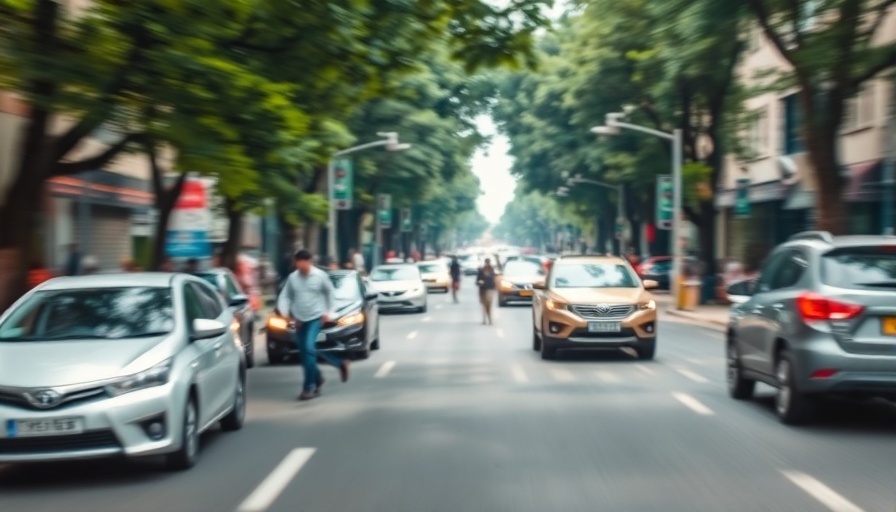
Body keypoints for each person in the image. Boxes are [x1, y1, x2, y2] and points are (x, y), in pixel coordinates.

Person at [277, 249, 350, 401]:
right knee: (305, 353)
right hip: (299, 319)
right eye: (297, 263)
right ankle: (332, 369)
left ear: (309, 262)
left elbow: (330, 292)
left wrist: (328, 312)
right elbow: (285, 296)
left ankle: (308, 387)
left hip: (315, 317)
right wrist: (285, 314)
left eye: (302, 262)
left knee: (309, 348)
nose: (299, 266)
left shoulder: (320, 276)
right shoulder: (293, 278)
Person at [476, 258, 497, 325]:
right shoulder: (481, 270)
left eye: (488, 262)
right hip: (483, 290)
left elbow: (494, 281)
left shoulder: (492, 270)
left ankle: (489, 318)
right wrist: (480, 282)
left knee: (489, 304)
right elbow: (477, 281)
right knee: (484, 305)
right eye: (486, 262)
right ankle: (485, 319)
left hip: (490, 289)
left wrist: (494, 288)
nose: (487, 263)